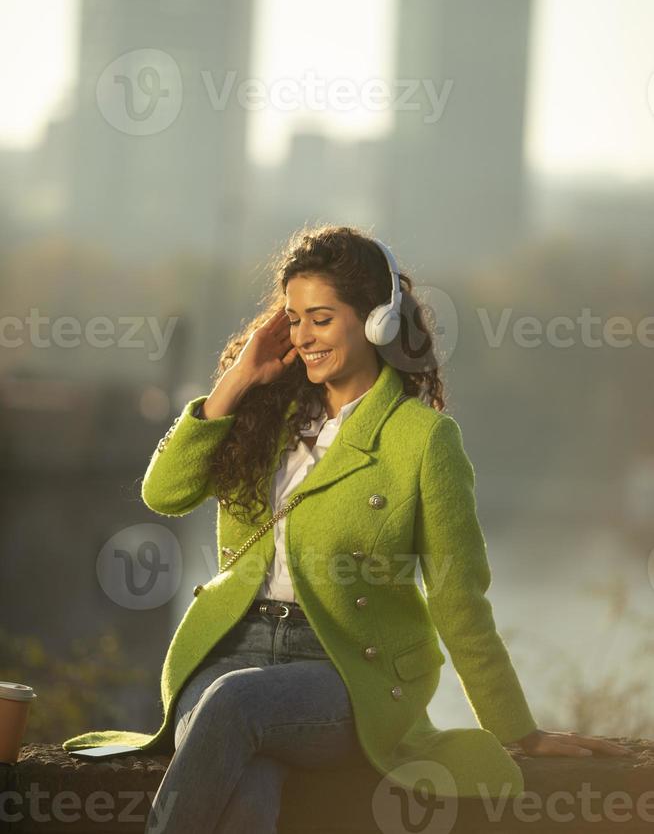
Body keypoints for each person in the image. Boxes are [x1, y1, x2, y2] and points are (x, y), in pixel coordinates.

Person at [63, 224, 632, 833]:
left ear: (377, 322)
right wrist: (235, 382)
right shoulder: (264, 417)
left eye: (322, 318)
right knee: (251, 782)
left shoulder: (422, 440)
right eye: (293, 318)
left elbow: (457, 597)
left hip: (347, 672)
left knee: (235, 710)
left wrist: (518, 729)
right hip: (228, 653)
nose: (304, 337)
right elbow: (164, 493)